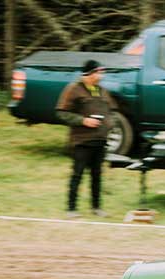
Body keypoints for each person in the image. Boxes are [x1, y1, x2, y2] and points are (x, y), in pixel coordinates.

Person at [56, 59, 117, 218]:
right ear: (89, 73)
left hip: (100, 140)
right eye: (99, 72)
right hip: (81, 140)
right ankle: (71, 209)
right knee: (77, 174)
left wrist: (110, 124)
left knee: (97, 176)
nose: (101, 75)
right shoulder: (73, 89)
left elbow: (111, 111)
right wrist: (83, 121)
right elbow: (62, 112)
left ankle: (96, 207)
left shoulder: (102, 91)